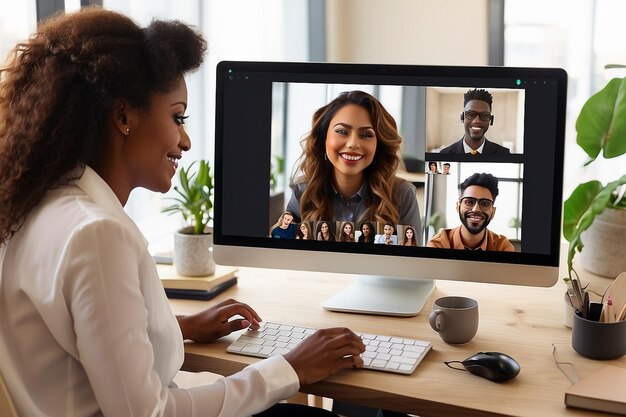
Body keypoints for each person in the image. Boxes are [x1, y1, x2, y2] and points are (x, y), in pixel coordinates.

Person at [0, 8, 366, 417]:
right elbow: (149, 414)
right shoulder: (97, 234)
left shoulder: (35, 206)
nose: (186, 141)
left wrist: (176, 328)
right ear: (123, 116)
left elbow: (79, 343)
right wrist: (289, 367)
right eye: (177, 117)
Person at [286, 90, 422, 244]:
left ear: (379, 145)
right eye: (342, 132)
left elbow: (410, 263)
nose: (353, 144)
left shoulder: (403, 195)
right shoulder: (302, 191)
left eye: (366, 135)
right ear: (324, 138)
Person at [427, 173, 515, 251]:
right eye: (469, 202)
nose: (476, 209)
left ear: (493, 212)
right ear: (458, 206)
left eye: (484, 204)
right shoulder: (438, 245)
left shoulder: (503, 248)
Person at [440, 89, 510, 155]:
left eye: (484, 115)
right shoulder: (444, 154)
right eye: (470, 114)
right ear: (462, 117)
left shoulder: (504, 154)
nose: (477, 121)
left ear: (491, 120)